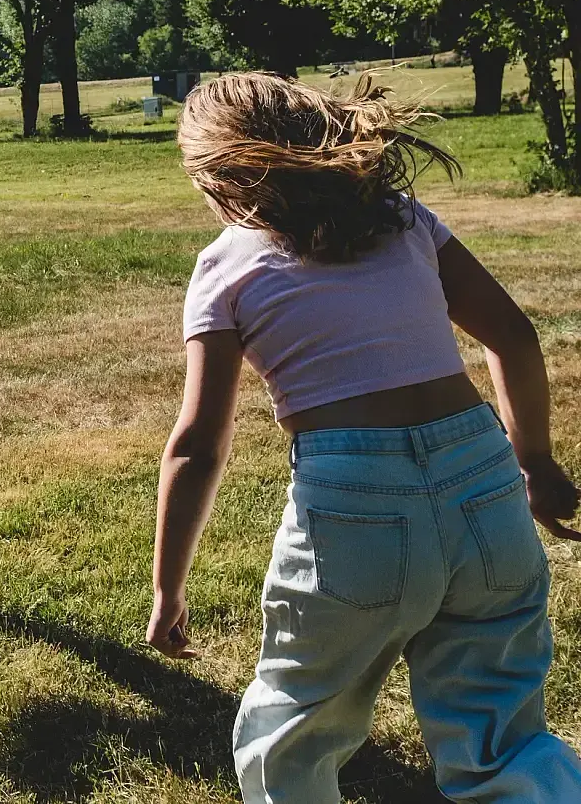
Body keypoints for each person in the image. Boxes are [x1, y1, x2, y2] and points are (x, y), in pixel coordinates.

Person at [147, 72, 581, 802]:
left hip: (354, 504)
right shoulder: (406, 221)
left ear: (221, 177)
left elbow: (198, 442)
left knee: (294, 726)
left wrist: (167, 586)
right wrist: (532, 459)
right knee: (502, 729)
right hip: (483, 476)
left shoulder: (224, 265)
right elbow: (511, 334)